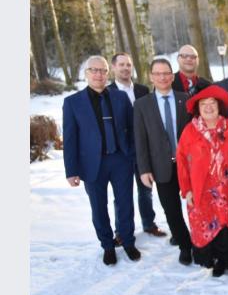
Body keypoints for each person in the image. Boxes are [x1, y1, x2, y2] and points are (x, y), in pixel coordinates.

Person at [63, 56, 140, 265]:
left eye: (103, 70)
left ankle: (128, 241)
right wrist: (71, 170)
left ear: (108, 73)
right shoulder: (72, 102)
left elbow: (133, 128)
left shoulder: (120, 97)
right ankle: (107, 246)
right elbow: (69, 139)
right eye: (94, 70)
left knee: (125, 204)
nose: (99, 74)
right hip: (92, 164)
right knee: (98, 207)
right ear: (86, 73)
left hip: (121, 160)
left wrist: (132, 154)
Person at [176, 85, 228, 276]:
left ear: (219, 106)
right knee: (211, 222)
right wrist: (187, 190)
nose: (209, 107)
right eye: (204, 104)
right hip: (203, 189)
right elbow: (182, 162)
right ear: (198, 108)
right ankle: (219, 260)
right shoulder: (190, 131)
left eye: (212, 103)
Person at [133, 59, 194, 265]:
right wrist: (144, 169)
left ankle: (202, 242)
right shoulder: (142, 105)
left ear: (172, 76)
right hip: (161, 166)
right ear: (151, 77)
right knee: (171, 209)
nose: (162, 77)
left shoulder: (185, 99)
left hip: (189, 165)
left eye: (166, 73)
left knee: (197, 205)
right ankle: (185, 246)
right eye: (157, 74)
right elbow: (140, 139)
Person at [107, 52, 167, 243]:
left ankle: (149, 223)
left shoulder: (143, 90)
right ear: (113, 67)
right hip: (121, 152)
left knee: (146, 189)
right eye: (121, 65)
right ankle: (121, 231)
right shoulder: (108, 92)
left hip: (143, 150)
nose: (126, 68)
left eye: (128, 65)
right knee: (122, 194)